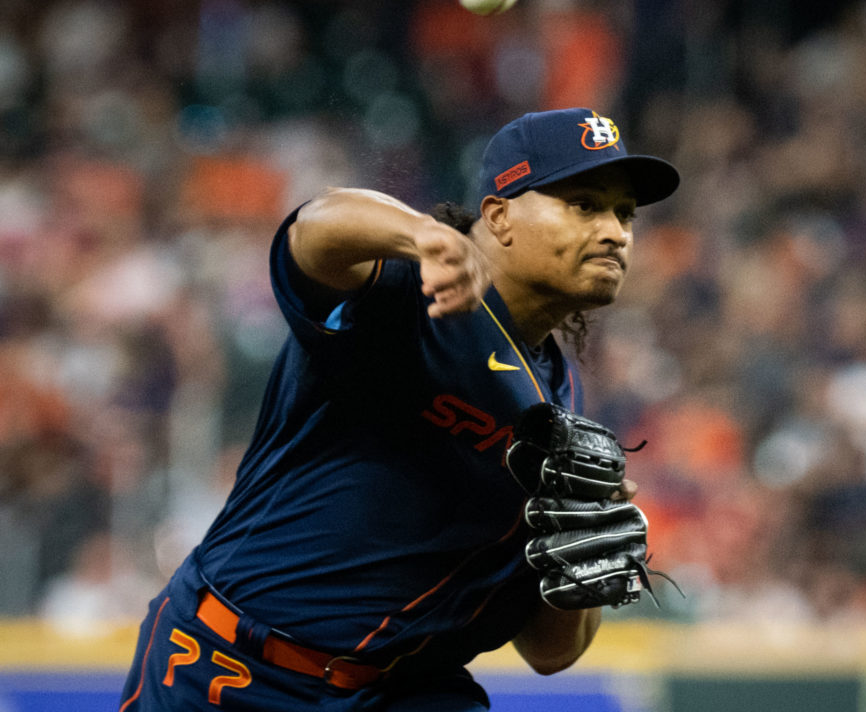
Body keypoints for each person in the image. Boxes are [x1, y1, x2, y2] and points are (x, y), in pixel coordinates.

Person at [119, 107, 680, 711]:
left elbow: (549, 653)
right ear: (499, 216)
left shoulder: (559, 407)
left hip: (399, 690)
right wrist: (420, 234)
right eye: (585, 204)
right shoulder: (410, 295)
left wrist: (591, 544)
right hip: (232, 666)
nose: (615, 232)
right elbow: (315, 228)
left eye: (625, 213)